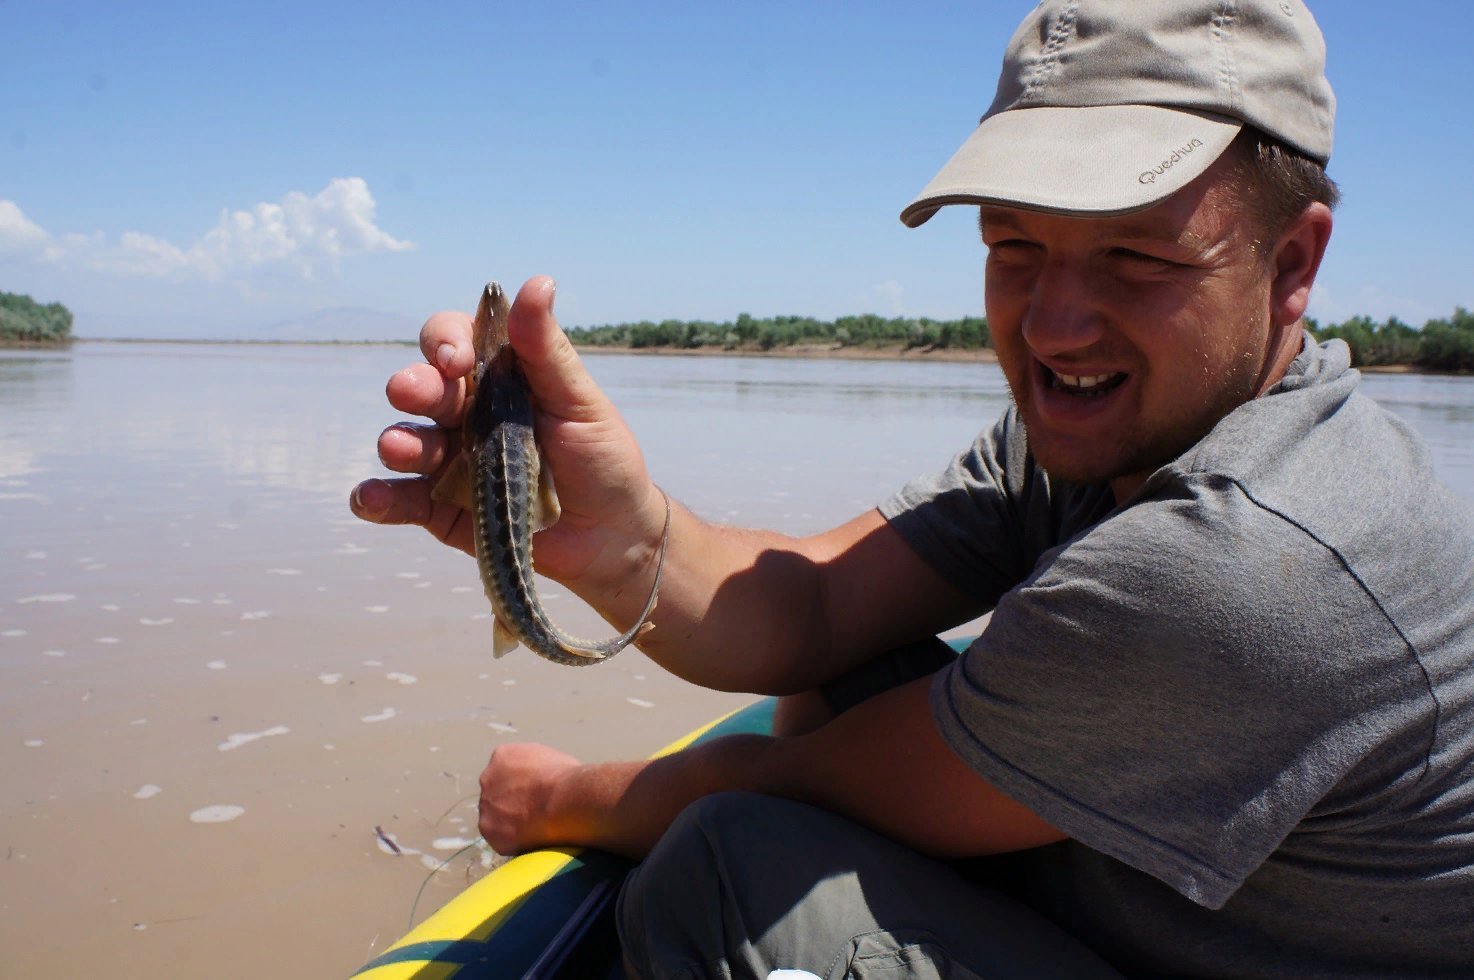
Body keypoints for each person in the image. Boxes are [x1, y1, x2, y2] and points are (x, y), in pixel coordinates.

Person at [351, 0, 1474, 975]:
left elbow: (811, 783)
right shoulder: (1105, 430)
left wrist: (559, 800)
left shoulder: (1246, 555)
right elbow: (817, 607)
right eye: (1013, 246)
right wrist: (615, 535)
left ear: (1290, 266)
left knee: (718, 868)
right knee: (847, 675)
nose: (1052, 323)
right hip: (1156, 913)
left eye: (1137, 256)